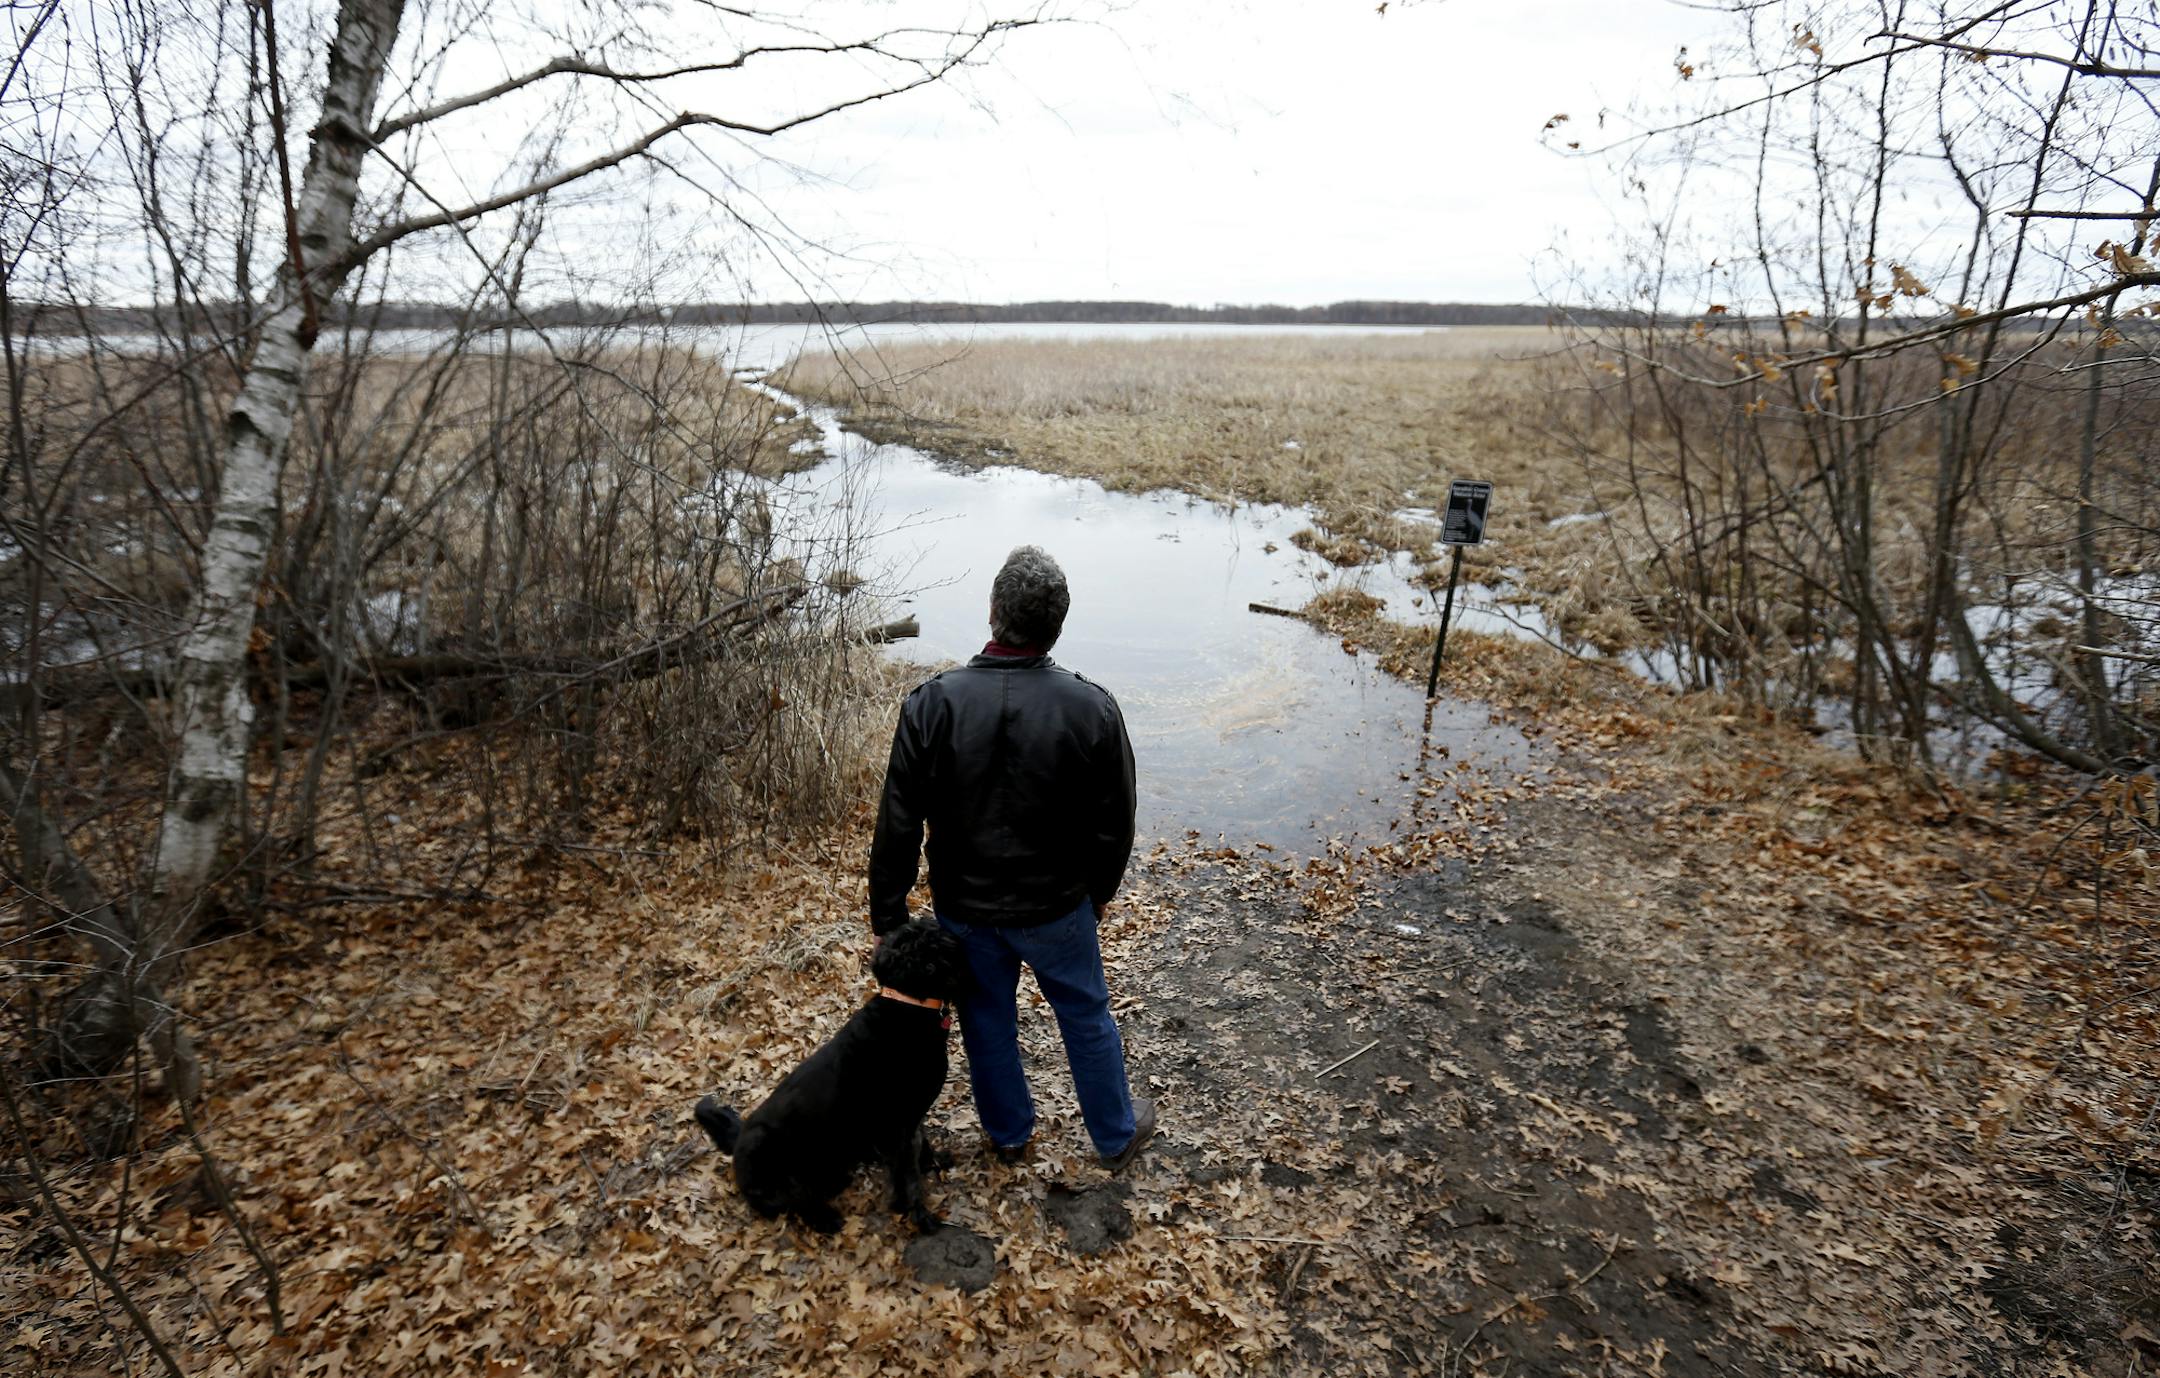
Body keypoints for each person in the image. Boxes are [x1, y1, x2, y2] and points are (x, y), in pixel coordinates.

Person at [868, 545, 1154, 1171]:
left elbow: (898, 819)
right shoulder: (1092, 708)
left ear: (993, 610)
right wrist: (1098, 891)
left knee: (986, 1022)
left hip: (964, 909)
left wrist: (888, 914)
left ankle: (1010, 1138)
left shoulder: (931, 703)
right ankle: (1114, 1135)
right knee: (1084, 1014)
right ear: (1057, 625)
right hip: (1056, 907)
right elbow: (1116, 821)